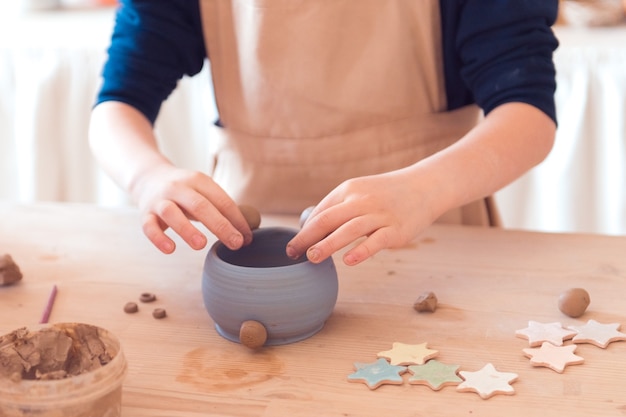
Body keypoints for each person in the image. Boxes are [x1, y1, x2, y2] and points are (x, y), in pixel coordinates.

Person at [89, 0, 559, 266]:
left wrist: (422, 190)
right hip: (249, 241)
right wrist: (146, 177)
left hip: (434, 236)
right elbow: (116, 104)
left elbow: (528, 114)